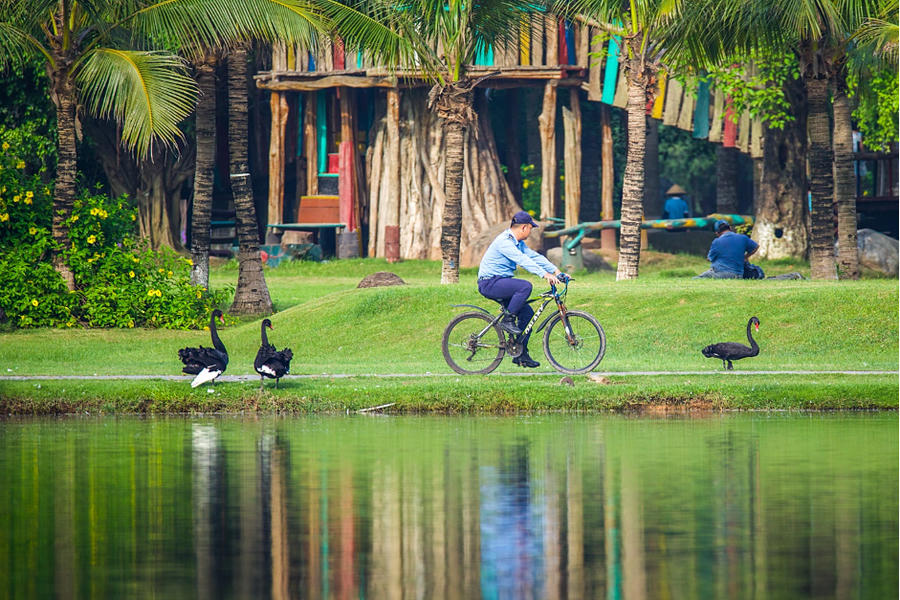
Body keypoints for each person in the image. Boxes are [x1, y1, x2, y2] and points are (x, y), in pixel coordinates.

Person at [478, 211, 566, 368]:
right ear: (524, 227)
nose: (531, 231)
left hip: (501, 281)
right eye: (531, 228)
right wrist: (545, 275)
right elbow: (522, 260)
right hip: (490, 283)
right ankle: (507, 319)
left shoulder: (517, 243)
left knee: (527, 315)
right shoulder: (504, 242)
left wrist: (556, 271)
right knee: (525, 286)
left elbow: (533, 256)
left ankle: (521, 354)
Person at [695, 219, 761, 279]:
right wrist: (745, 257)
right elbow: (756, 247)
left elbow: (709, 259)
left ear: (717, 233)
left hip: (722, 274)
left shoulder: (717, 241)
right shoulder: (743, 237)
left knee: (697, 278)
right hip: (739, 274)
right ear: (730, 228)